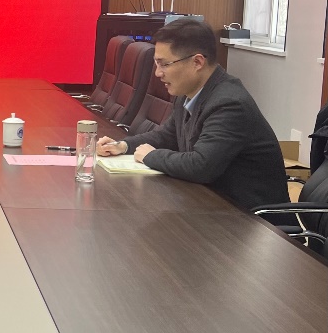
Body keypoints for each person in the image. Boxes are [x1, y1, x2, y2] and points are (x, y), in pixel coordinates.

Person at [97, 19, 288, 211]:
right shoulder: (188, 93)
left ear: (197, 62)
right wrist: (123, 146)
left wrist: (151, 156)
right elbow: (167, 136)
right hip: (211, 205)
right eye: (156, 64)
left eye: (164, 64)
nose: (157, 73)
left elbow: (201, 166)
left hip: (250, 218)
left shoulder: (229, 103)